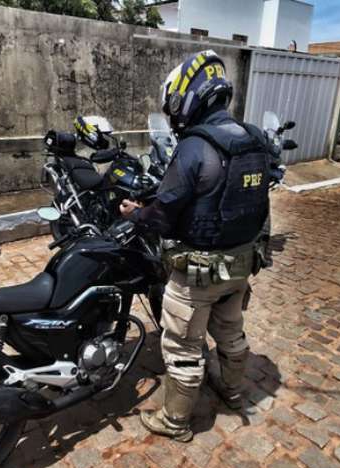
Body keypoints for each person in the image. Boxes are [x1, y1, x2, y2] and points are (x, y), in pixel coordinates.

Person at [120, 50, 272, 442]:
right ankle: (233, 391)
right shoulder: (254, 139)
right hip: (240, 267)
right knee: (231, 332)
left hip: (197, 275)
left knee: (184, 347)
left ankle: (175, 422)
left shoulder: (195, 146)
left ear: (189, 96)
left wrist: (135, 214)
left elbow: (163, 215)